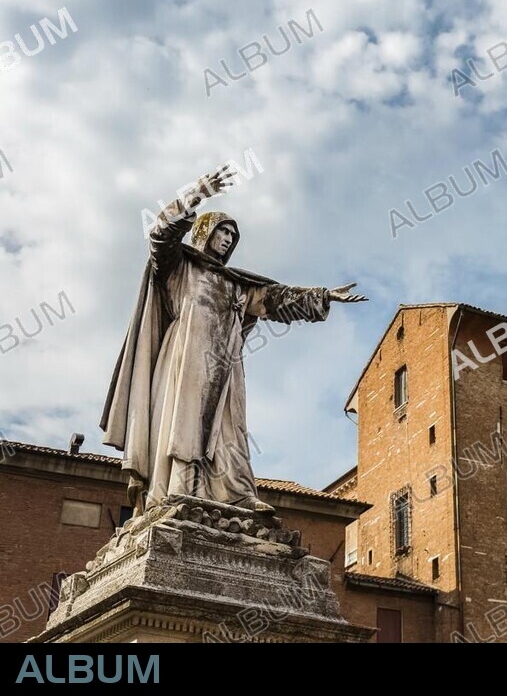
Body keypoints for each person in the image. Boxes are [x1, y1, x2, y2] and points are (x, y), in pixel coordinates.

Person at [101, 166, 366, 514]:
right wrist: (196, 193)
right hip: (187, 355)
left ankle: (235, 493)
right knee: (186, 421)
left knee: (231, 428)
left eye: (232, 235)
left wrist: (324, 295)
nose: (227, 240)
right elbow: (160, 237)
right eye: (221, 232)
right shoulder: (181, 267)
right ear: (205, 232)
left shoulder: (237, 283)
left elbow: (277, 298)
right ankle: (181, 487)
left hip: (227, 365)